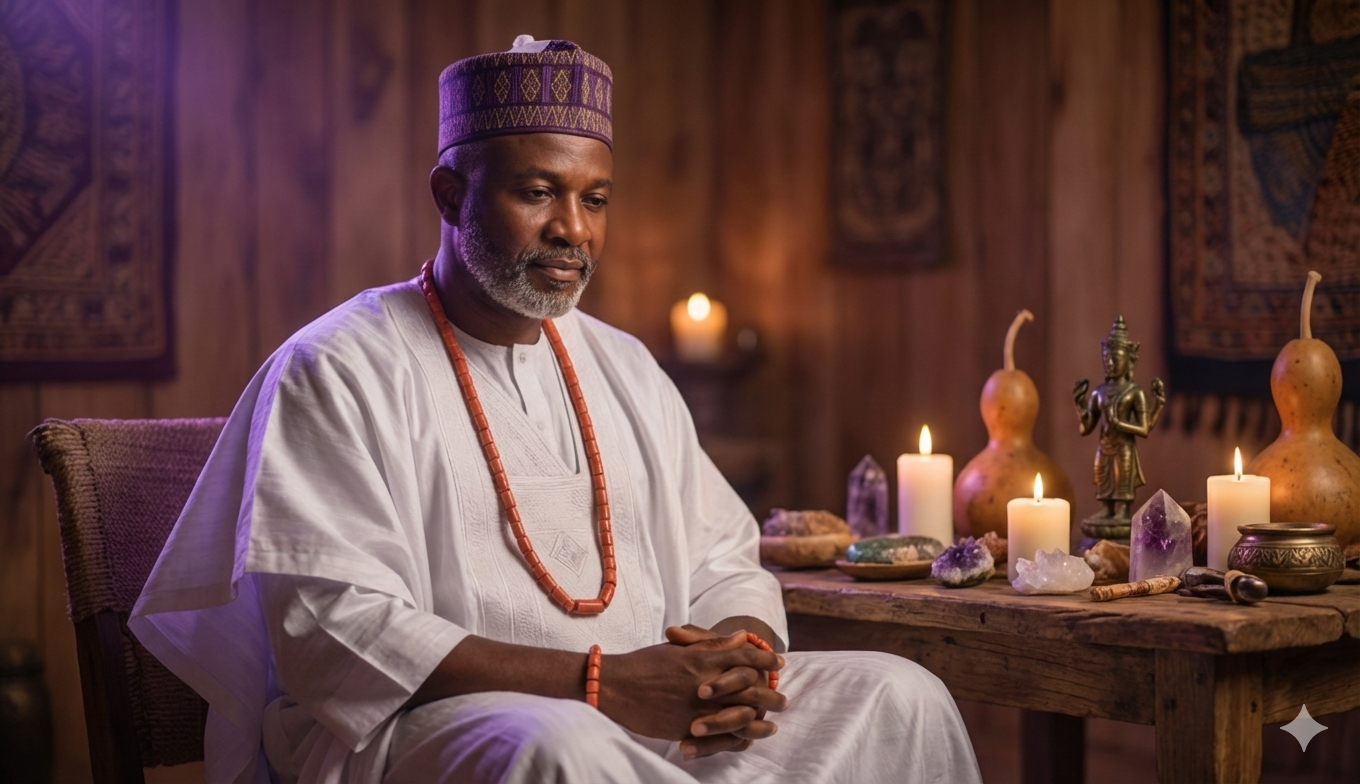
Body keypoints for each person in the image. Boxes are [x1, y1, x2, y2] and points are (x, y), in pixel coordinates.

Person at [129, 36, 981, 784]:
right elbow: (334, 629)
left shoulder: (624, 365)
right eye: (537, 192)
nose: (573, 229)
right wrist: (603, 685)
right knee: (561, 751)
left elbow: (724, 557)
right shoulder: (338, 368)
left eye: (596, 198)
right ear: (450, 194)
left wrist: (739, 662)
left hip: (654, 715)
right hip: (423, 739)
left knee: (899, 697)